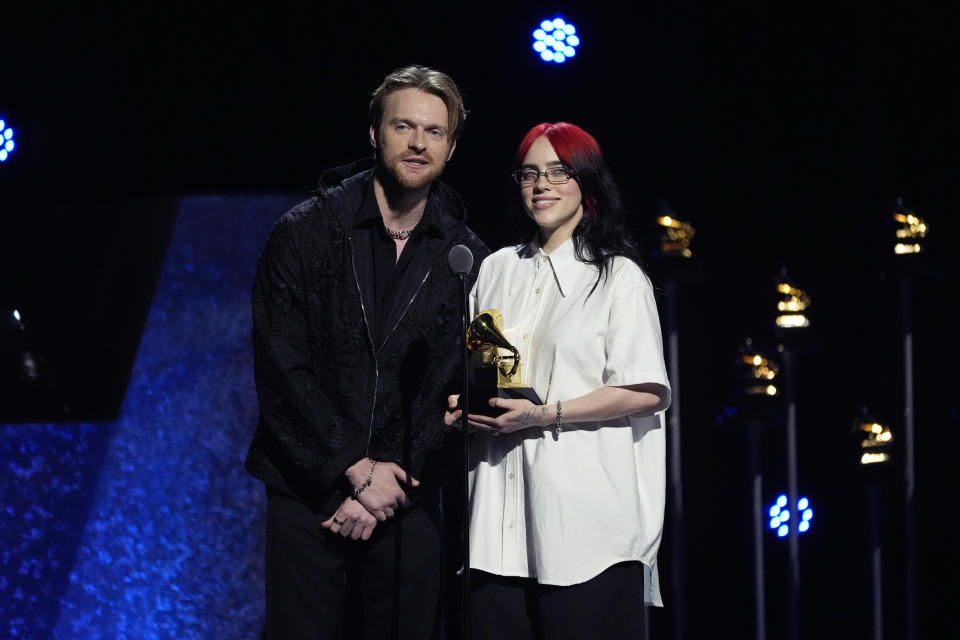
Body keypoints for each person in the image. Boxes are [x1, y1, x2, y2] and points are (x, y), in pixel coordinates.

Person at [245, 65, 488, 640]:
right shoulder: (304, 233)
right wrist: (351, 471)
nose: (417, 142)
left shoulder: (470, 257)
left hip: (409, 494)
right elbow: (282, 369)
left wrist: (388, 487)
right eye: (403, 126)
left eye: (434, 132)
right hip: (310, 491)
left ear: (451, 148)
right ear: (375, 134)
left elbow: (461, 387)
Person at [446, 122, 671, 639]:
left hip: (584, 531)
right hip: (496, 531)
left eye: (557, 172)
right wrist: (467, 405)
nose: (540, 185)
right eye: (529, 174)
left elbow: (646, 389)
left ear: (586, 184)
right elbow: (487, 371)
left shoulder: (617, 277)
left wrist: (546, 414)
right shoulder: (496, 269)